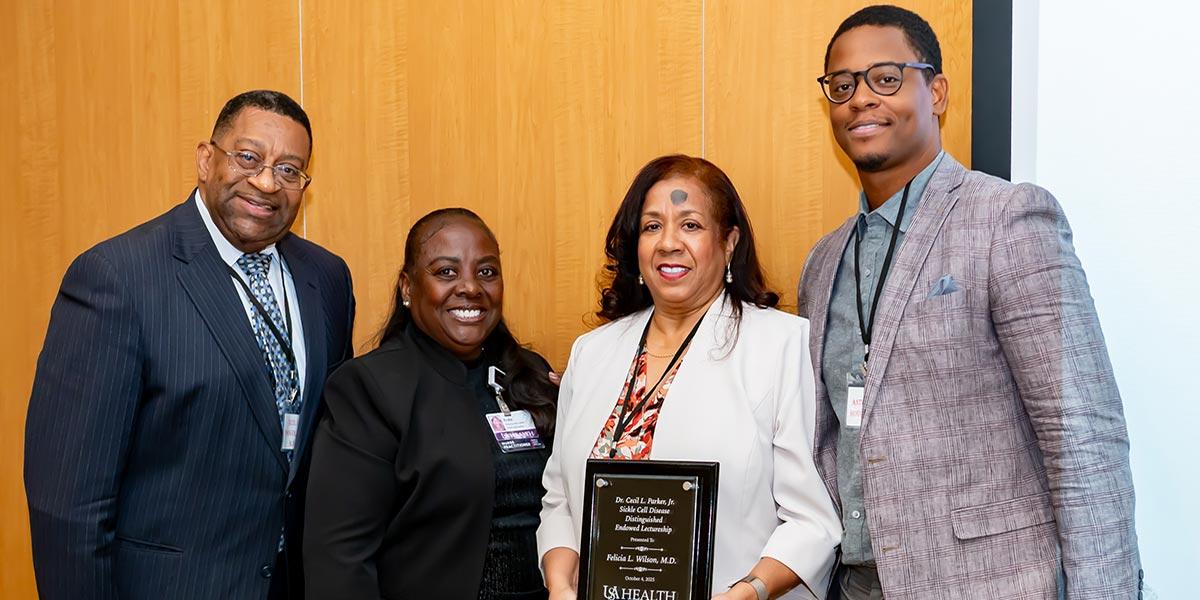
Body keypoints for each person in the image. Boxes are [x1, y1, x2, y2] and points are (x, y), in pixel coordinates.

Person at [798, 6, 1141, 599]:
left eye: (885, 77)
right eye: (843, 85)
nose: (860, 99)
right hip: (855, 586)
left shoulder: (1008, 218)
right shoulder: (823, 262)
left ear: (936, 91)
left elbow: (1081, 434)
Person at [24, 90, 355, 599]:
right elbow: (70, 505)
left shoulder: (326, 278)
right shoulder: (117, 278)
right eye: (248, 158)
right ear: (206, 159)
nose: (267, 182)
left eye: (290, 170)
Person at [539, 155, 840, 600]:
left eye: (691, 226)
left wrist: (748, 592)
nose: (668, 243)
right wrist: (560, 585)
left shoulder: (782, 345)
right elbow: (560, 496)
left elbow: (812, 519)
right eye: (652, 226)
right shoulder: (592, 352)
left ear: (729, 241)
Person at [304, 208, 558, 600]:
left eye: (487, 272)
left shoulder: (530, 375)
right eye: (446, 272)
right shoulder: (369, 389)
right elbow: (339, 560)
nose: (471, 287)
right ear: (408, 288)